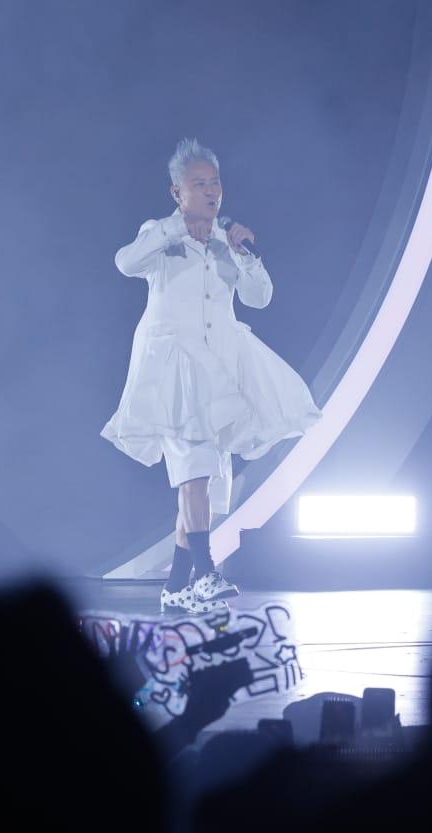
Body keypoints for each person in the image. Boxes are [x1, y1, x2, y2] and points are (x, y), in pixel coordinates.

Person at [103, 139, 319, 615]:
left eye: (215, 183)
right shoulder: (159, 234)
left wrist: (244, 253)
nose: (210, 192)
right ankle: (204, 571)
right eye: (198, 184)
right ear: (176, 192)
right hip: (173, 371)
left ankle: (176, 585)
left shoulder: (226, 241)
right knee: (194, 470)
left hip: (220, 371)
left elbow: (260, 298)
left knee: (206, 482)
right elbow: (125, 262)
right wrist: (173, 229)